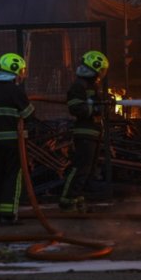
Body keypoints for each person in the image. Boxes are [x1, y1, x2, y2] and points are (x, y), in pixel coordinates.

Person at [0, 53, 35, 225]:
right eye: (20, 70)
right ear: (14, 70)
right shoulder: (15, 91)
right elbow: (29, 114)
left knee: (0, 174)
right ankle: (9, 214)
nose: (22, 74)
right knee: (14, 176)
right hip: (14, 142)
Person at [60, 50, 109, 212]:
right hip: (85, 133)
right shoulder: (78, 86)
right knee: (80, 168)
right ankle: (66, 199)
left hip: (94, 133)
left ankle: (77, 197)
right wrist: (93, 109)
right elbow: (75, 108)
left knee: (88, 169)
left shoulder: (92, 86)